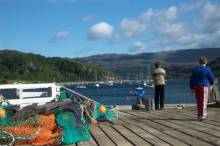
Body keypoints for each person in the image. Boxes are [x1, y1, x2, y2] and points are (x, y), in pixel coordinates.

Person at [190, 56, 215, 121]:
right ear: (206, 62)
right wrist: (212, 84)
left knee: (198, 101)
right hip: (204, 87)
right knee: (204, 101)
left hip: (196, 87)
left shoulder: (195, 69)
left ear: (199, 62)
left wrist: (192, 88)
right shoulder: (207, 69)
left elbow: (191, 79)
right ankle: (203, 115)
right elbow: (212, 78)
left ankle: (199, 115)